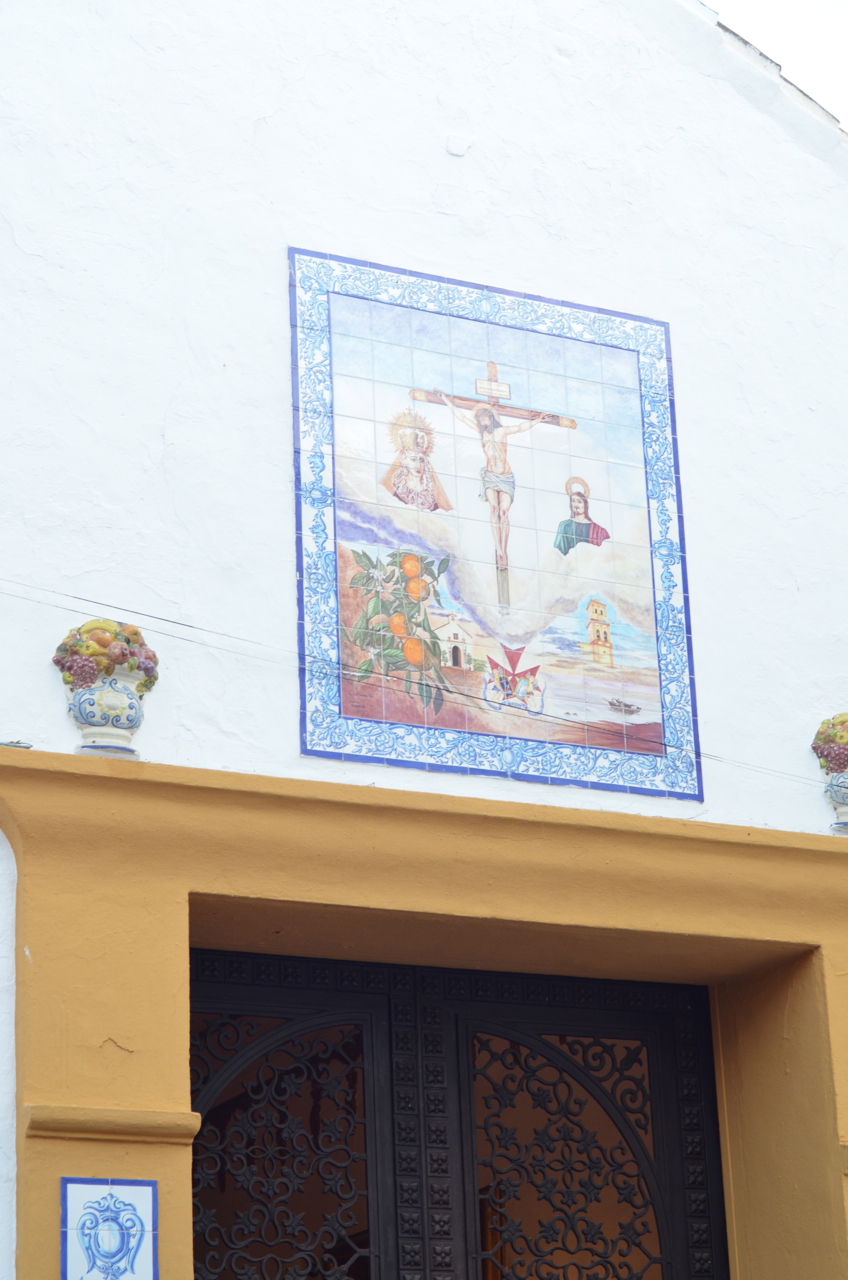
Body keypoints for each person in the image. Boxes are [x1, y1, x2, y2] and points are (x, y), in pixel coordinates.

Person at [437, 393, 547, 568]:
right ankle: (499, 550)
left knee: (503, 512)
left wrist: (538, 420)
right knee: (494, 509)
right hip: (489, 476)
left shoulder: (501, 431)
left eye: (485, 418)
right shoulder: (481, 433)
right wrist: (444, 399)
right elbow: (461, 417)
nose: (483, 421)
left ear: (491, 418)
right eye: (480, 419)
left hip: (505, 476)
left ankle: (504, 546)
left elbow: (520, 427)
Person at [380, 411, 452, 512]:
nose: (418, 465)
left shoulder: (431, 494)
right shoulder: (395, 489)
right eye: (413, 459)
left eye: (421, 460)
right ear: (404, 461)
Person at [554, 480, 610, 557]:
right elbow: (557, 552)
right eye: (573, 501)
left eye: (579, 502)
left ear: (586, 505)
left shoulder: (599, 531)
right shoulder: (564, 525)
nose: (576, 505)